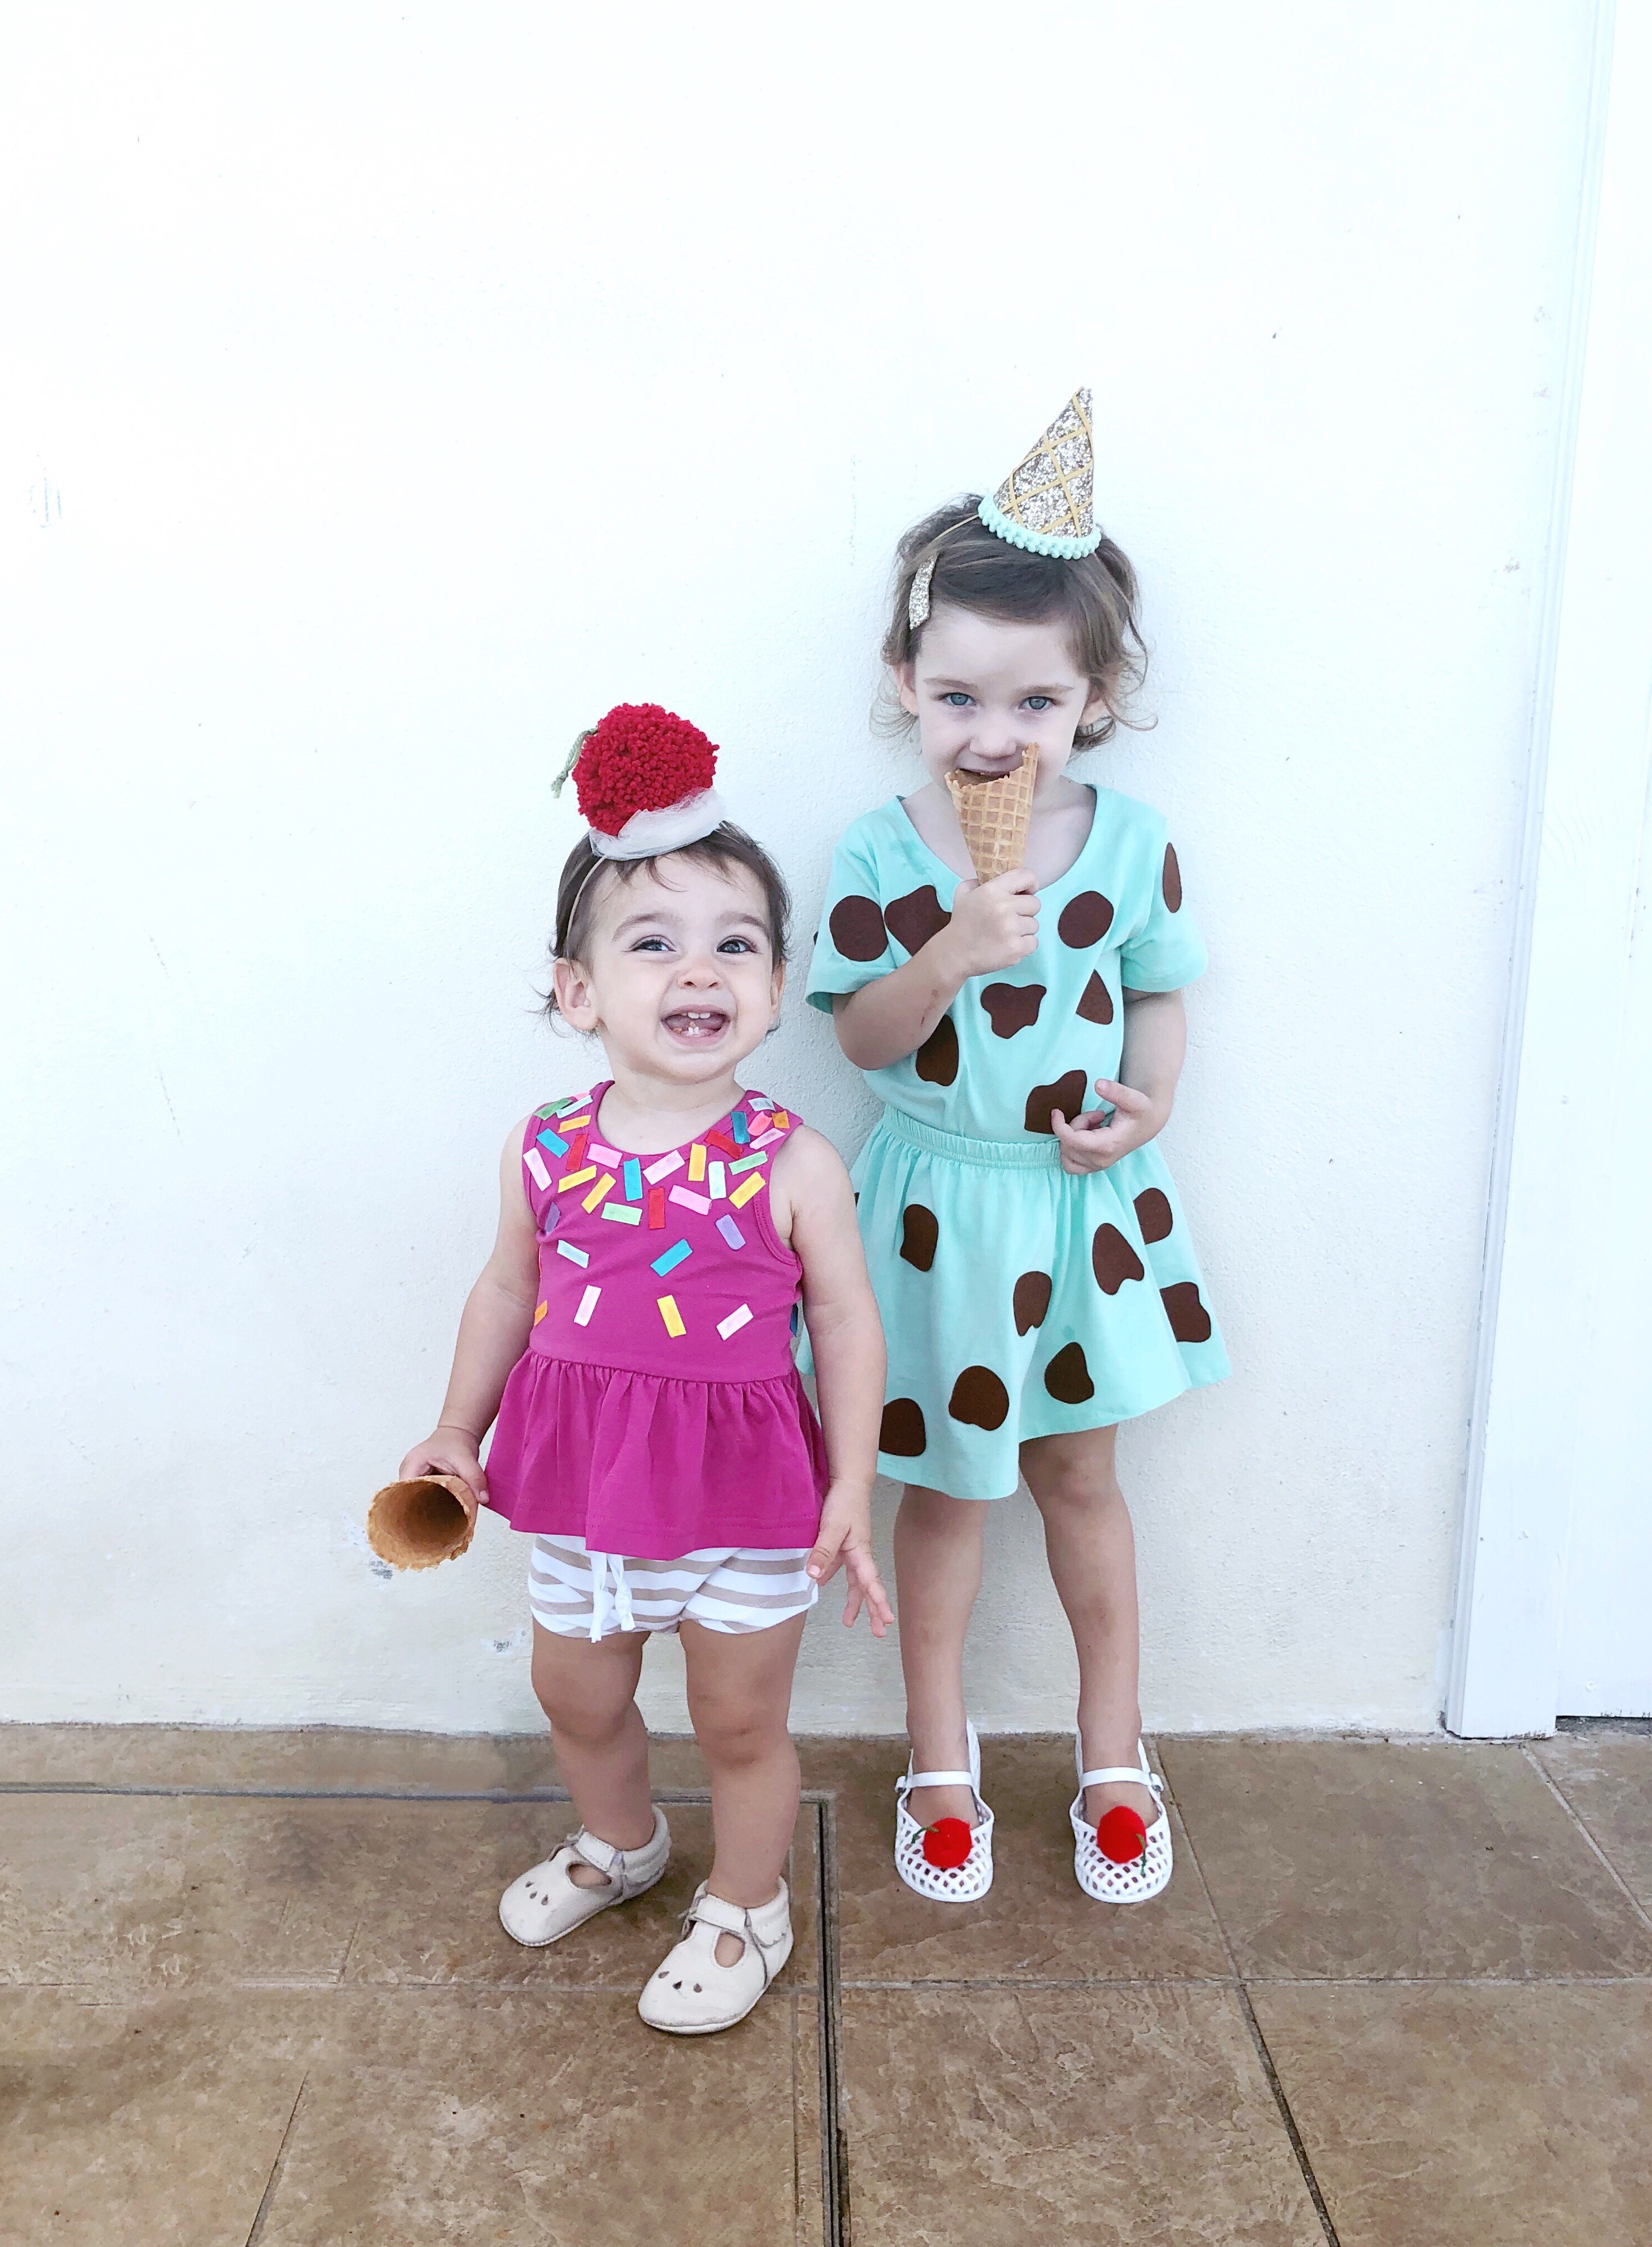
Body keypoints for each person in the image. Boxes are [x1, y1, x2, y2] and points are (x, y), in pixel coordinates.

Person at [401, 703, 888, 2032]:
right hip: (581, 1496)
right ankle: (623, 1844)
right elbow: (509, 1291)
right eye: (654, 942)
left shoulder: (794, 1162)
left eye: (736, 943)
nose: (700, 970)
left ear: (774, 987)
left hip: (745, 1510)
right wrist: (455, 1430)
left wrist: (851, 1487)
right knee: (576, 1694)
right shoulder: (546, 1148)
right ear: (579, 990)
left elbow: (848, 1324)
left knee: (739, 1724)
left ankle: (747, 1903)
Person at [804, 391, 1227, 1906]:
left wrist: (1152, 1101)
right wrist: (949, 954)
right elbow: (858, 1036)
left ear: (1093, 700)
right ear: (905, 684)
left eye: (1036, 704)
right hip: (935, 1214)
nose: (996, 738)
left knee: (1081, 1483)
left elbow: (1160, 991)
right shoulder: (879, 848)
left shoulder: (1133, 841)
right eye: (959, 700)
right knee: (945, 1494)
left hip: (1078, 1206)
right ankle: (938, 1751)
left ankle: (1115, 1745)